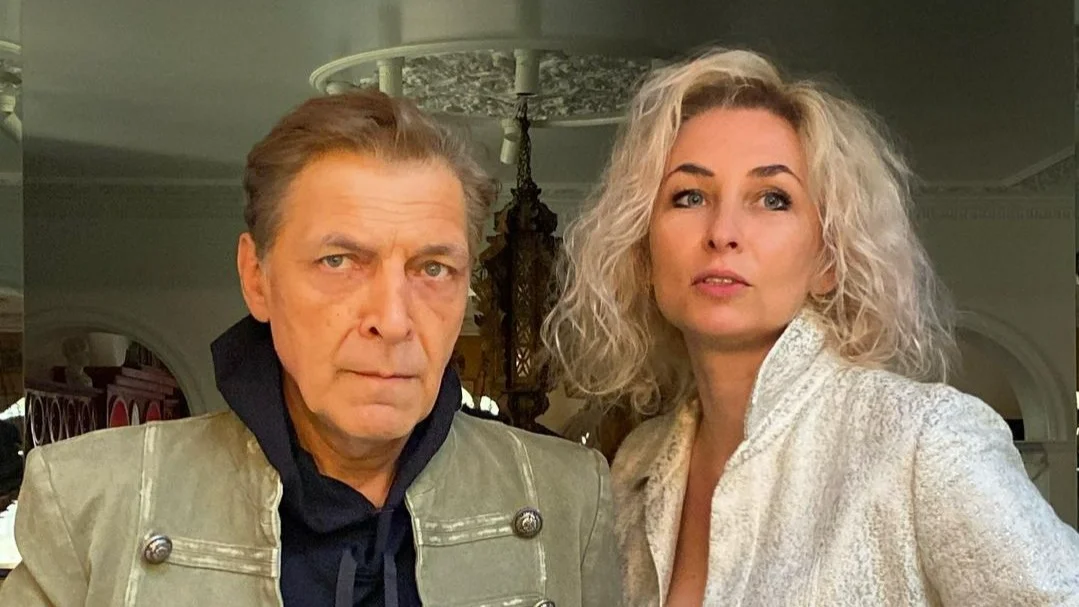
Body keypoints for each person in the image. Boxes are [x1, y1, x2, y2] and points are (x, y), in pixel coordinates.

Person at [1, 90, 621, 606]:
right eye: (339, 261)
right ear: (257, 279)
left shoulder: (569, 498)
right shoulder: (90, 501)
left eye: (433, 268)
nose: (393, 320)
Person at [542, 48, 1079, 606]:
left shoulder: (925, 441)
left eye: (773, 199)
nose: (723, 231)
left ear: (828, 259)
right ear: (643, 249)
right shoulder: (636, 467)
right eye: (690, 196)